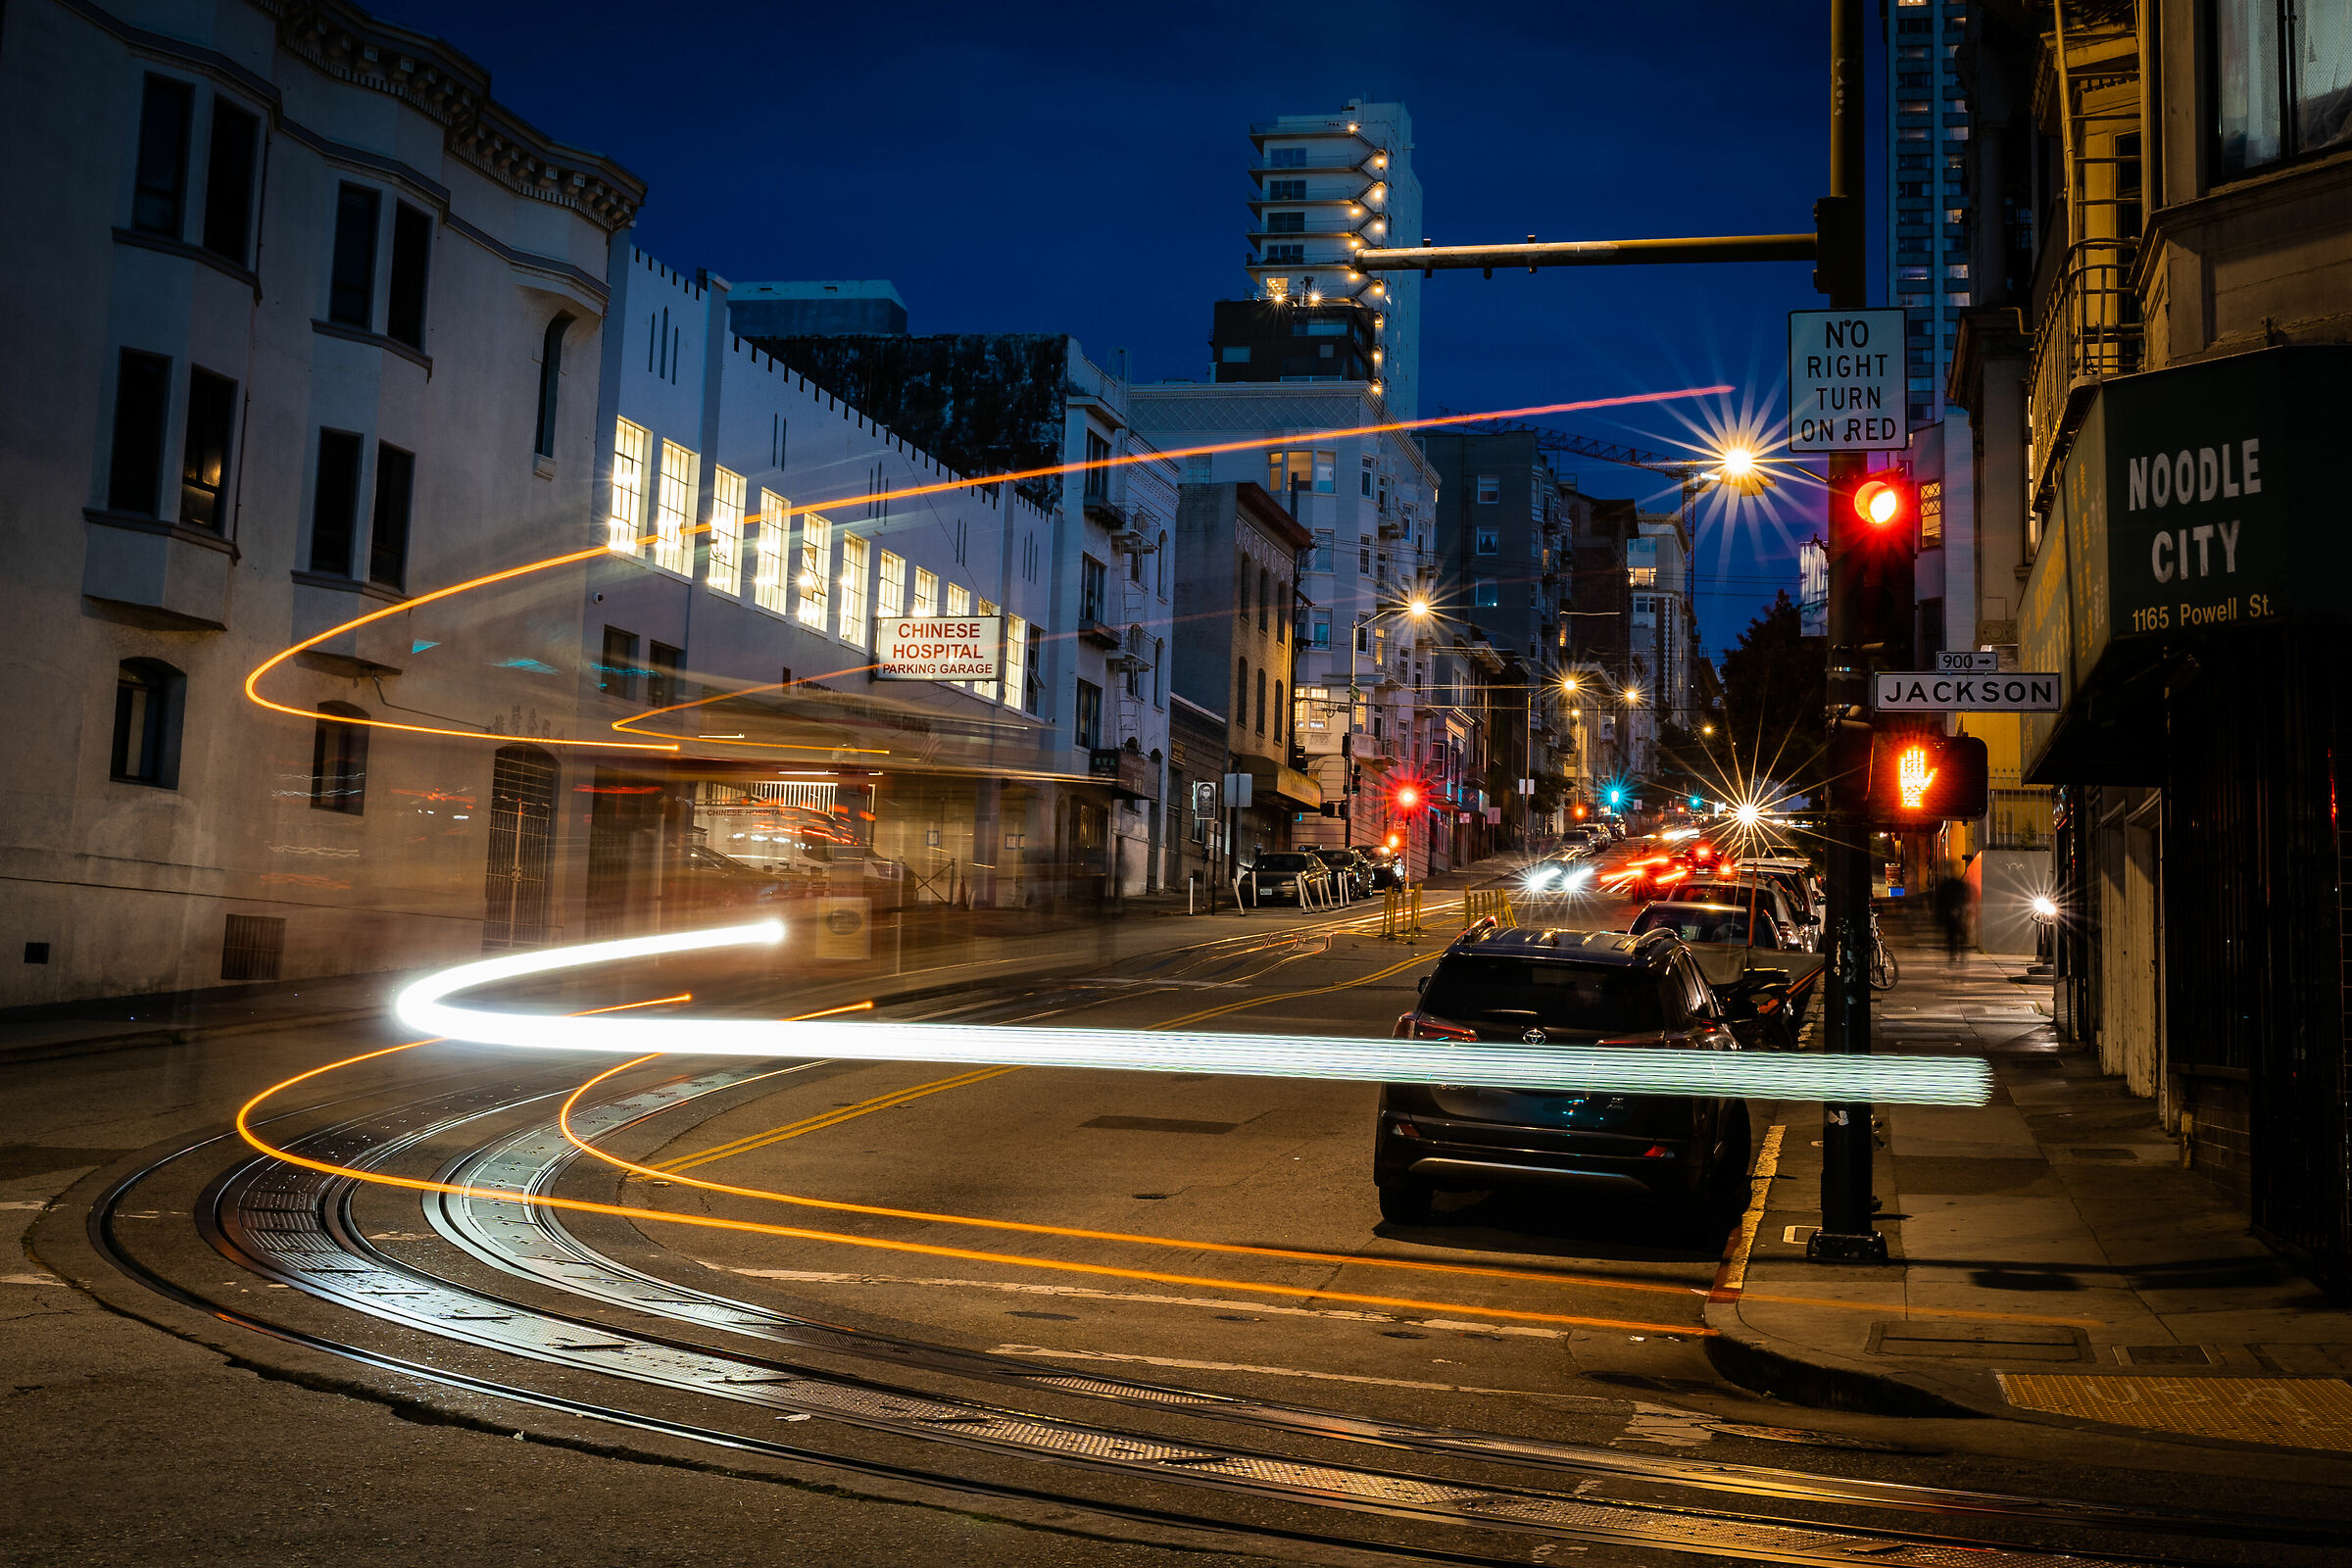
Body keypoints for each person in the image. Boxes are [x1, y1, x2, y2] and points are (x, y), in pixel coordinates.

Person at [1933, 871, 1972, 961]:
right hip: (1959, 913)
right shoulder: (1961, 885)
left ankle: (1953, 954)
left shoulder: (1945, 886)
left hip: (1949, 913)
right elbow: (1965, 898)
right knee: (1961, 935)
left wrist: (1939, 915)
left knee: (1951, 935)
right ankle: (1961, 954)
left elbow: (1940, 900)